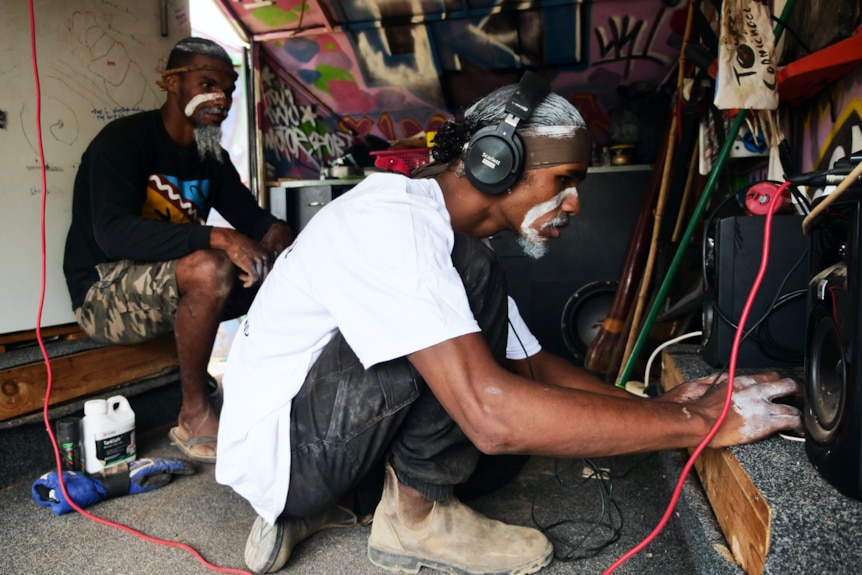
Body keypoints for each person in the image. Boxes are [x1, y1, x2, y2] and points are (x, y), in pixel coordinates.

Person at [215, 73, 802, 575]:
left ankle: (347, 501)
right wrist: (696, 422)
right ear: (493, 162)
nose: (573, 203)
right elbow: (491, 414)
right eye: (564, 180)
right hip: (291, 455)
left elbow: (532, 364)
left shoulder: (444, 235)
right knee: (498, 425)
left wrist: (658, 404)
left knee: (517, 443)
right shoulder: (393, 225)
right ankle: (412, 521)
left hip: (321, 442)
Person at [62, 37, 293, 464]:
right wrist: (217, 238)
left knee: (279, 269)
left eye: (228, 88)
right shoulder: (125, 141)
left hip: (167, 287)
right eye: (207, 83)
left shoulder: (210, 154)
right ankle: (193, 413)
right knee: (211, 266)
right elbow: (113, 234)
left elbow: (256, 220)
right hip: (104, 291)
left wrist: (276, 238)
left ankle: (277, 395)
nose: (220, 98)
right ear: (172, 83)